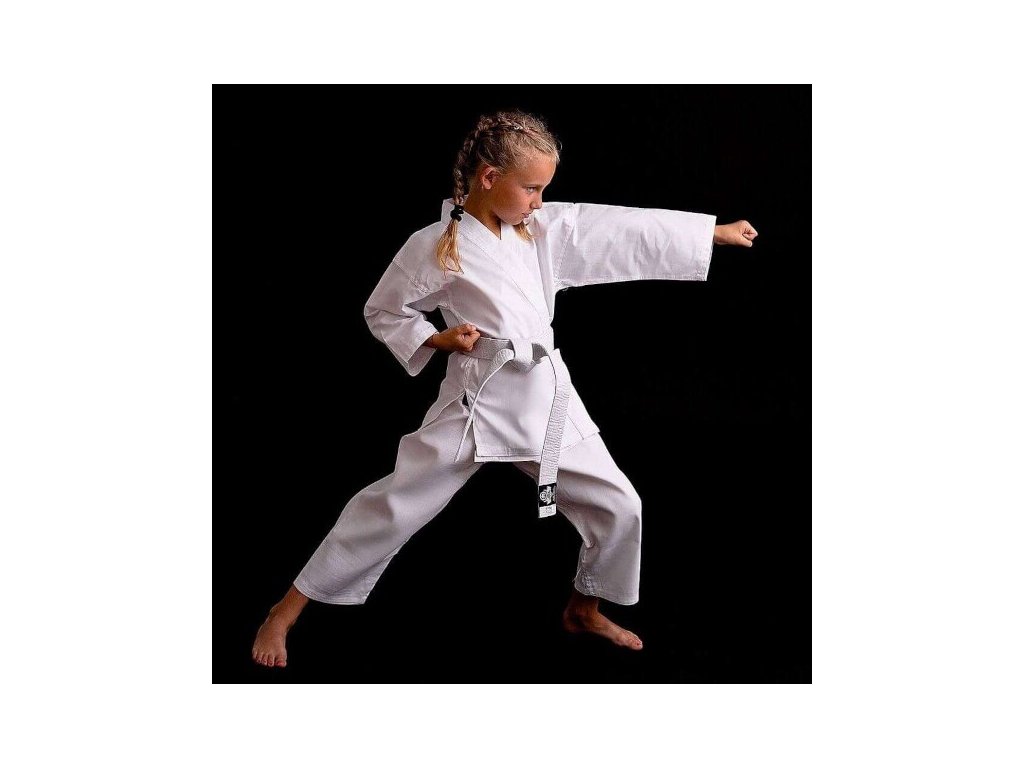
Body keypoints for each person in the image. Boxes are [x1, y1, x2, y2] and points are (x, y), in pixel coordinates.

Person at [252, 109, 757, 668]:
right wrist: (438, 339)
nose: (540, 201)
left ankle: (583, 608)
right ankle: (287, 609)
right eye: (532, 188)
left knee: (621, 504)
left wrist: (710, 233)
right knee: (393, 506)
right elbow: (384, 310)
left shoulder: (537, 232)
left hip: (544, 398)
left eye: (544, 190)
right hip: (477, 403)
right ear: (490, 177)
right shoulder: (436, 244)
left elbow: (614, 229)